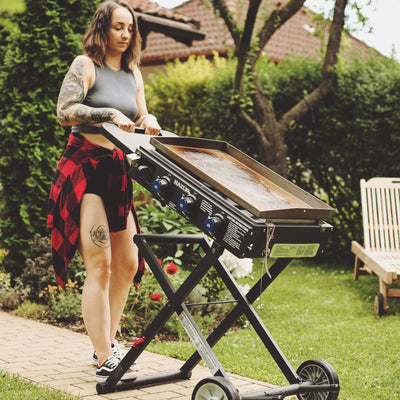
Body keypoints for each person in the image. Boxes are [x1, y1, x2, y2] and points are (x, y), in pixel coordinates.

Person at [47, 0, 161, 383]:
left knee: (128, 264)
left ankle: (108, 345)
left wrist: (149, 119)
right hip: (84, 166)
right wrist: (107, 114)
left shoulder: (133, 72)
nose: (126, 34)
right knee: (100, 264)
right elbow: (65, 110)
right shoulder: (85, 65)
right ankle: (103, 356)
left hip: (117, 169)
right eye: (118, 27)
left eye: (130, 28)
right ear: (103, 28)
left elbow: (139, 115)